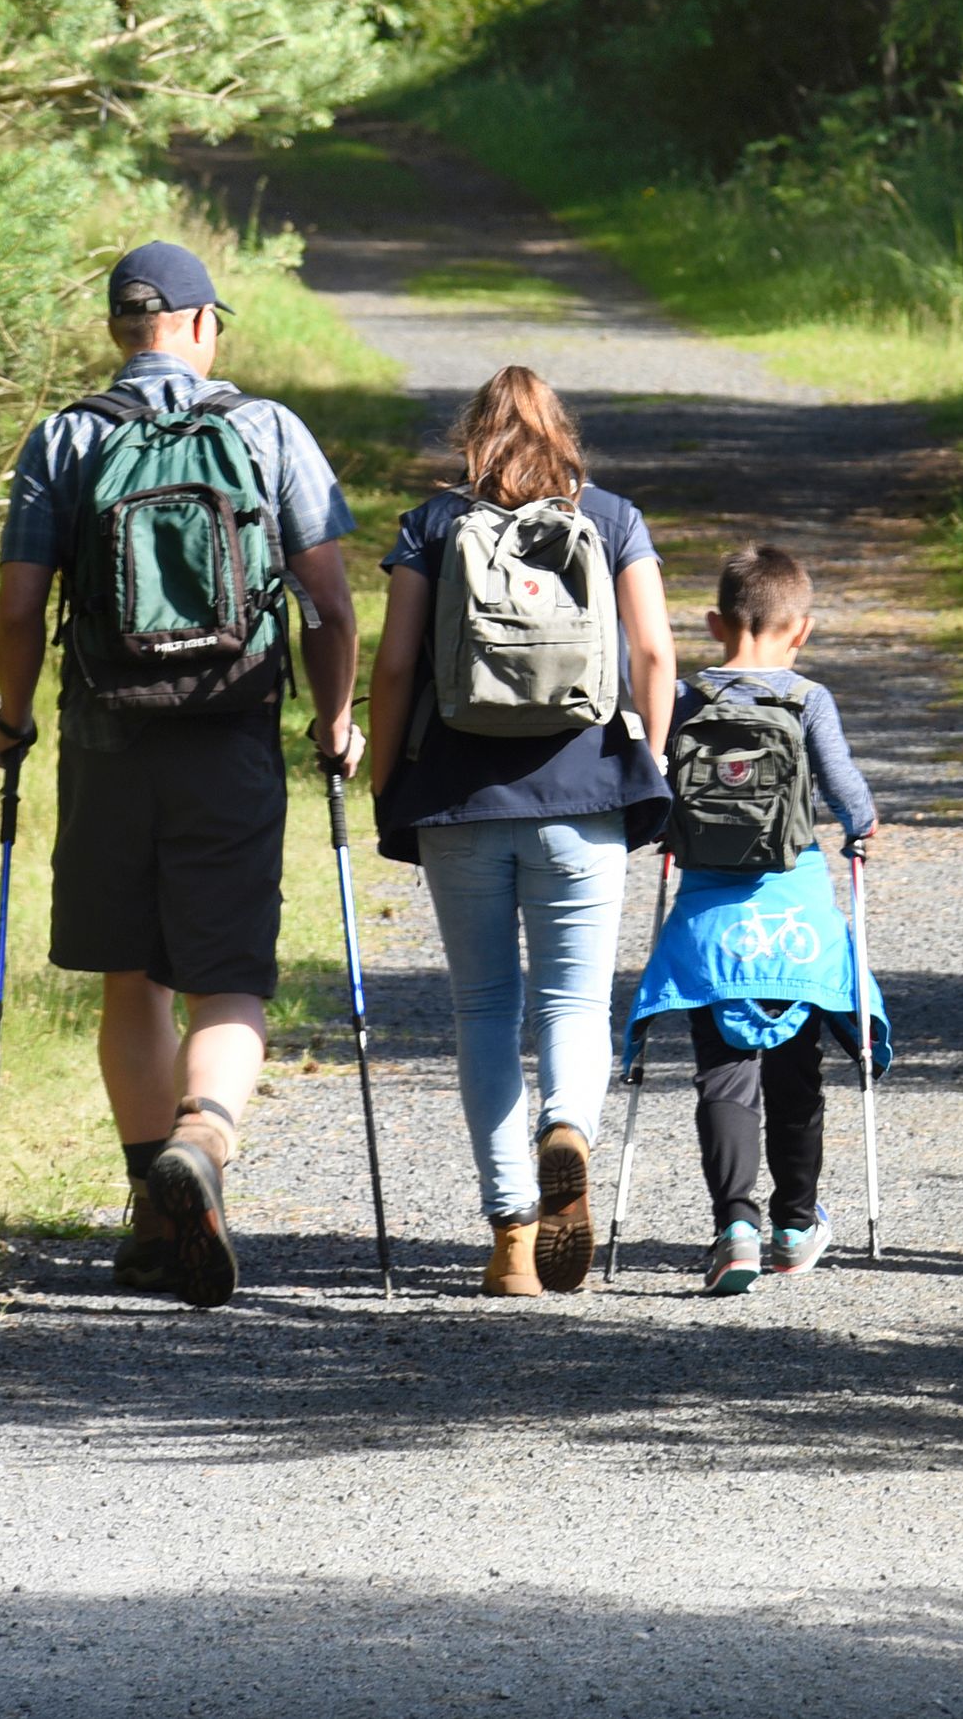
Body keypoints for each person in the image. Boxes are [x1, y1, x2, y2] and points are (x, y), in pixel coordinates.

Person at [0, 240, 359, 1310]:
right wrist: (335, 721)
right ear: (200, 325)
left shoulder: (67, 437)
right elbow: (330, 606)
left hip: (105, 736)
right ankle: (205, 1138)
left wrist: (13, 720)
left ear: (118, 330)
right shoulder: (268, 430)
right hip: (230, 732)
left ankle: (155, 1210)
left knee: (130, 972)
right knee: (227, 970)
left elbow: (19, 607)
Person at [366, 365, 674, 1297]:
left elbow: (394, 666)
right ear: (561, 434)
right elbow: (654, 652)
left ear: (473, 437)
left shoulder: (432, 525)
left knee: (485, 1010)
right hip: (587, 797)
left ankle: (511, 1239)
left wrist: (389, 781)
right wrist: (649, 761)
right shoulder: (611, 517)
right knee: (573, 1004)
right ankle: (567, 1126)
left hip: (458, 802)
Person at [623, 544, 888, 1296]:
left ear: (715, 624)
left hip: (710, 919)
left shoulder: (685, 697)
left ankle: (734, 1227)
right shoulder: (808, 699)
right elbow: (846, 790)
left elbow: (655, 788)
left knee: (724, 1072)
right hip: (794, 913)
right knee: (796, 1071)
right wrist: (862, 826)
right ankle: (795, 1226)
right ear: (801, 630)